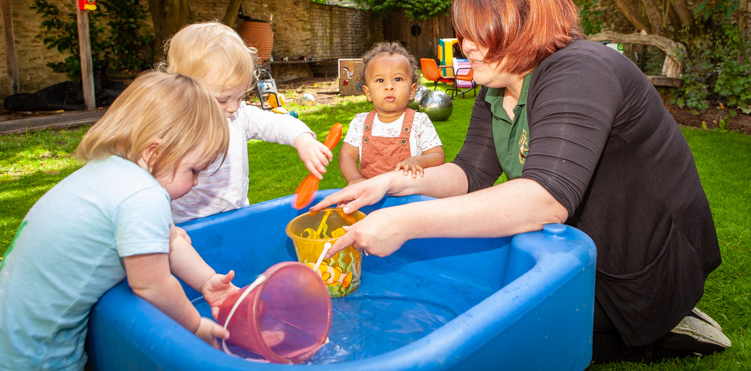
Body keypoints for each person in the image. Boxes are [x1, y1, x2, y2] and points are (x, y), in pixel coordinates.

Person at [313, 0, 731, 363]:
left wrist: (405, 222)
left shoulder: (581, 69)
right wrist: (391, 183)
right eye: (464, 34)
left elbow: (545, 198)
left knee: (512, 340)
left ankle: (666, 326)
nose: (467, 46)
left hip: (643, 265)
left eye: (481, 33)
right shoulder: (494, 87)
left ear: (527, 27)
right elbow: (470, 174)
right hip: (575, 249)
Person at [0, 72, 240, 370]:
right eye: (194, 170)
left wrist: (207, 282)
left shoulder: (107, 175)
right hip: (38, 350)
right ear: (154, 153)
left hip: (11, 327)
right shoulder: (143, 195)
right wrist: (194, 327)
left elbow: (170, 240)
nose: (195, 183)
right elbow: (152, 285)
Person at [162, 21, 333, 223]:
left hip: (237, 217)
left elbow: (277, 124)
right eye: (223, 100)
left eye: (240, 96)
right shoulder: (168, 127)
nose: (234, 106)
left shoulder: (238, 117)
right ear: (182, 90)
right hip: (184, 226)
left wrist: (303, 140)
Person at [340, 42, 445, 184]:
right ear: (368, 92)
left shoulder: (419, 122)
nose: (389, 86)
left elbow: (437, 155)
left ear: (412, 90)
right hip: (369, 197)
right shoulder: (360, 123)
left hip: (408, 196)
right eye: (380, 80)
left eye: (398, 79)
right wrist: (354, 179)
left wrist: (419, 160)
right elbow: (347, 155)